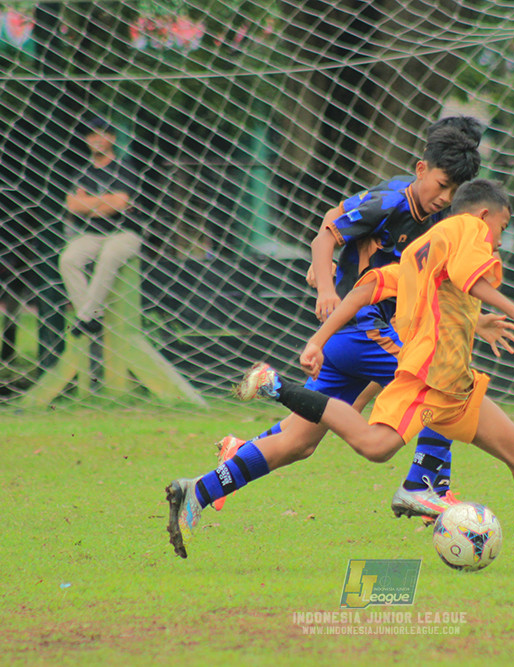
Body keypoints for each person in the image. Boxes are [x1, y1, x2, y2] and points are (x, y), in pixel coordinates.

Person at [172, 179, 514, 571]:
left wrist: (319, 339)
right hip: (427, 377)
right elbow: (472, 277)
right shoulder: (468, 228)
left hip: (452, 383)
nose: (500, 238)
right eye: (503, 227)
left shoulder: (424, 245)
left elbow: (377, 287)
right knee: (375, 446)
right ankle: (281, 390)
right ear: (486, 214)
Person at [200, 121, 484, 523]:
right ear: (423, 168)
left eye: (456, 189)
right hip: (358, 321)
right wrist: (326, 284)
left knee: (301, 441)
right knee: (439, 383)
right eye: (442, 184)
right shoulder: (390, 200)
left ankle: (216, 473)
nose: (446, 197)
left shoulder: (442, 214)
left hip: (377, 326)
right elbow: (327, 231)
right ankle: (430, 488)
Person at [58, 117, 140, 338]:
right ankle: (93, 314)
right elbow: (72, 205)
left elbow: (121, 203)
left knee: (109, 254)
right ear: (86, 139)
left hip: (125, 234)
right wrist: (105, 202)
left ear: (112, 138)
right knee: (68, 259)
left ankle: (86, 317)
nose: (97, 139)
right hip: (92, 234)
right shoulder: (81, 173)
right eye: (92, 134)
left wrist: (90, 203)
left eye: (103, 133)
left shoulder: (125, 168)